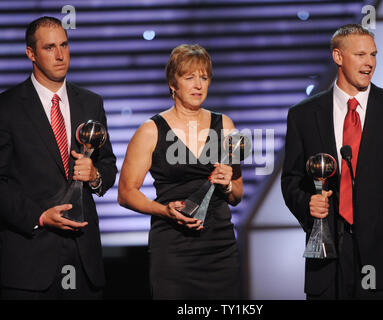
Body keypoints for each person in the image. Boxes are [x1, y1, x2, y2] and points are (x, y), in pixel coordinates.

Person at [281, 24, 383, 300]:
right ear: (338, 57)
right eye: (361, 55)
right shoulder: (303, 115)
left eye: (373, 55)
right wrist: (308, 204)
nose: (369, 63)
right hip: (327, 258)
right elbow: (291, 179)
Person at [0, 16, 117, 299]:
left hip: (83, 256)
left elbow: (108, 165)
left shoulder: (91, 102)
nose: (60, 54)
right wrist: (39, 216)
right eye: (50, 47)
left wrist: (95, 176)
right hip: (29, 261)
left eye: (64, 44)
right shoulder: (7, 107)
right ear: (31, 53)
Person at [118, 44, 243, 299]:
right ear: (173, 84)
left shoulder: (226, 125)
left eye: (204, 78)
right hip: (174, 251)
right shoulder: (151, 131)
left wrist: (228, 185)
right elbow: (126, 193)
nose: (198, 85)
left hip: (220, 249)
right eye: (189, 78)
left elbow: (237, 194)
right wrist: (165, 210)